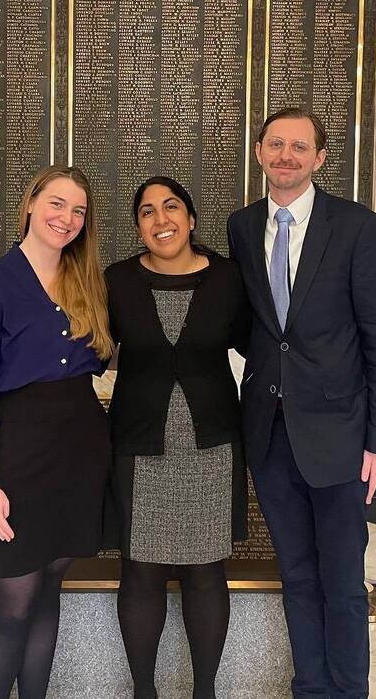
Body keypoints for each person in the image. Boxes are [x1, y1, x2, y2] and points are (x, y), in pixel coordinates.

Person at [227, 108, 376, 699]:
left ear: (321, 158)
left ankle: (349, 691)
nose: (286, 156)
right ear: (259, 152)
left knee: (344, 582)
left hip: (342, 438)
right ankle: (311, 688)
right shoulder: (242, 228)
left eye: (300, 147)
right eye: (276, 144)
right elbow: (258, 328)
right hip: (269, 437)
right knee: (297, 576)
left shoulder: (357, 227)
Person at [0, 165, 114, 699]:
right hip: (19, 457)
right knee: (13, 605)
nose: (66, 219)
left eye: (78, 211)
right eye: (56, 204)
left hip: (80, 452)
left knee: (49, 591)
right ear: (30, 204)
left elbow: (96, 364)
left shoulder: (84, 281)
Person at [105, 176, 251, 699]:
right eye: (147, 211)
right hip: (141, 446)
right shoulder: (117, 281)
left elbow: (261, 344)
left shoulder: (229, 279)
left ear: (191, 219)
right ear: (138, 227)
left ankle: (204, 690)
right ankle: (143, 689)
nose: (160, 219)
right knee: (140, 570)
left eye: (171, 208)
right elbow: (92, 350)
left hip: (210, 444)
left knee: (206, 572)